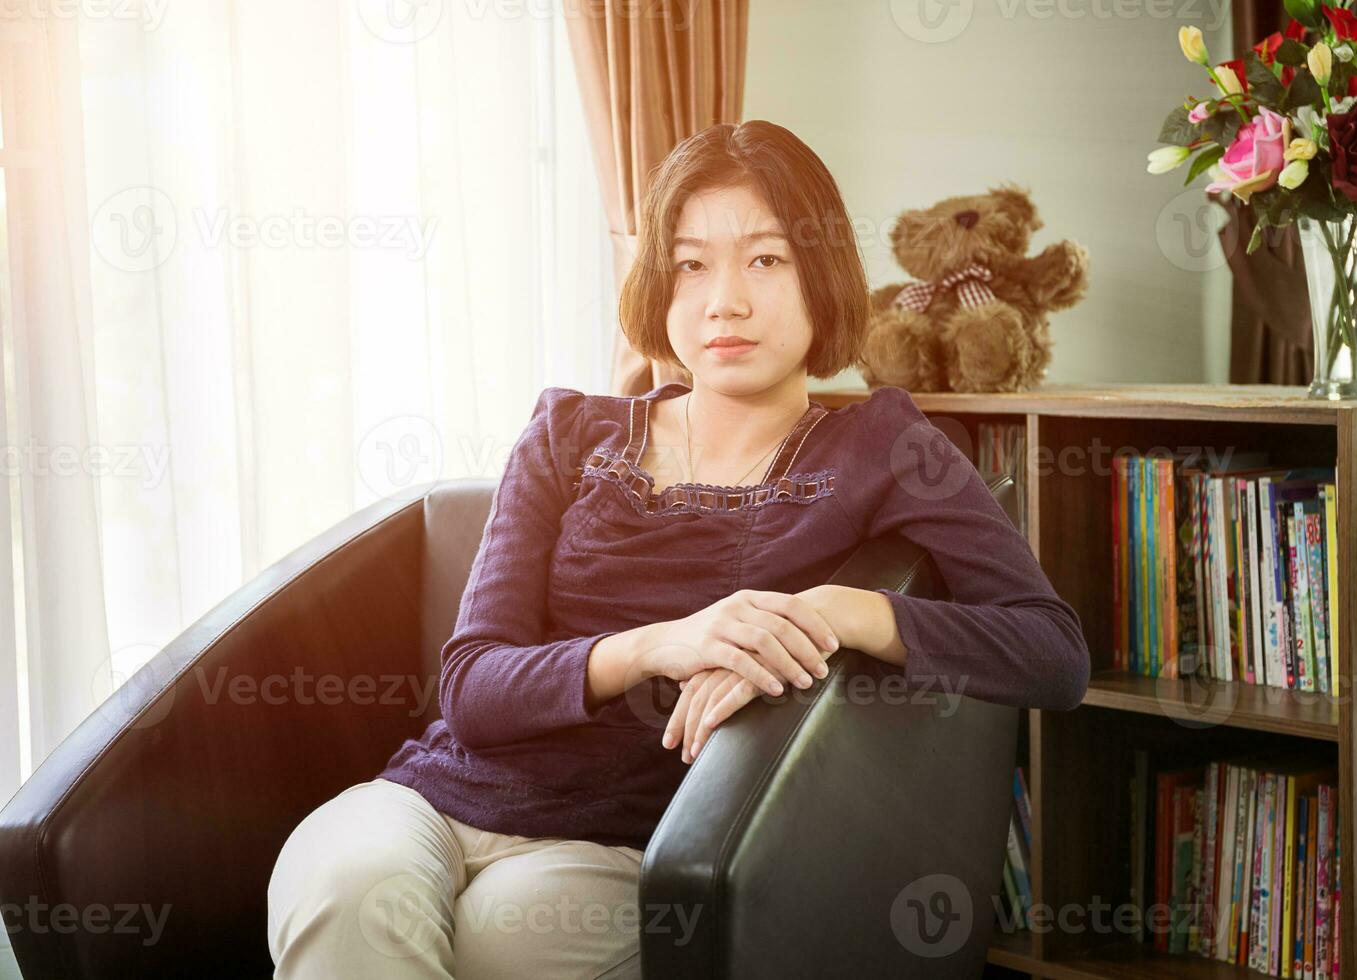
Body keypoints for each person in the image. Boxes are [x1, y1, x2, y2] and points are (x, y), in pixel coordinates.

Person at [265, 119, 1090, 979]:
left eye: (764, 260)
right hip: (432, 801)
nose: (722, 301)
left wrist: (832, 612)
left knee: (501, 940)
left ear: (822, 277)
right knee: (349, 888)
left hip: (623, 841)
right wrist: (664, 643)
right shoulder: (568, 433)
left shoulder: (885, 448)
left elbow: (1050, 654)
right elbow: (472, 689)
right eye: (691, 264)